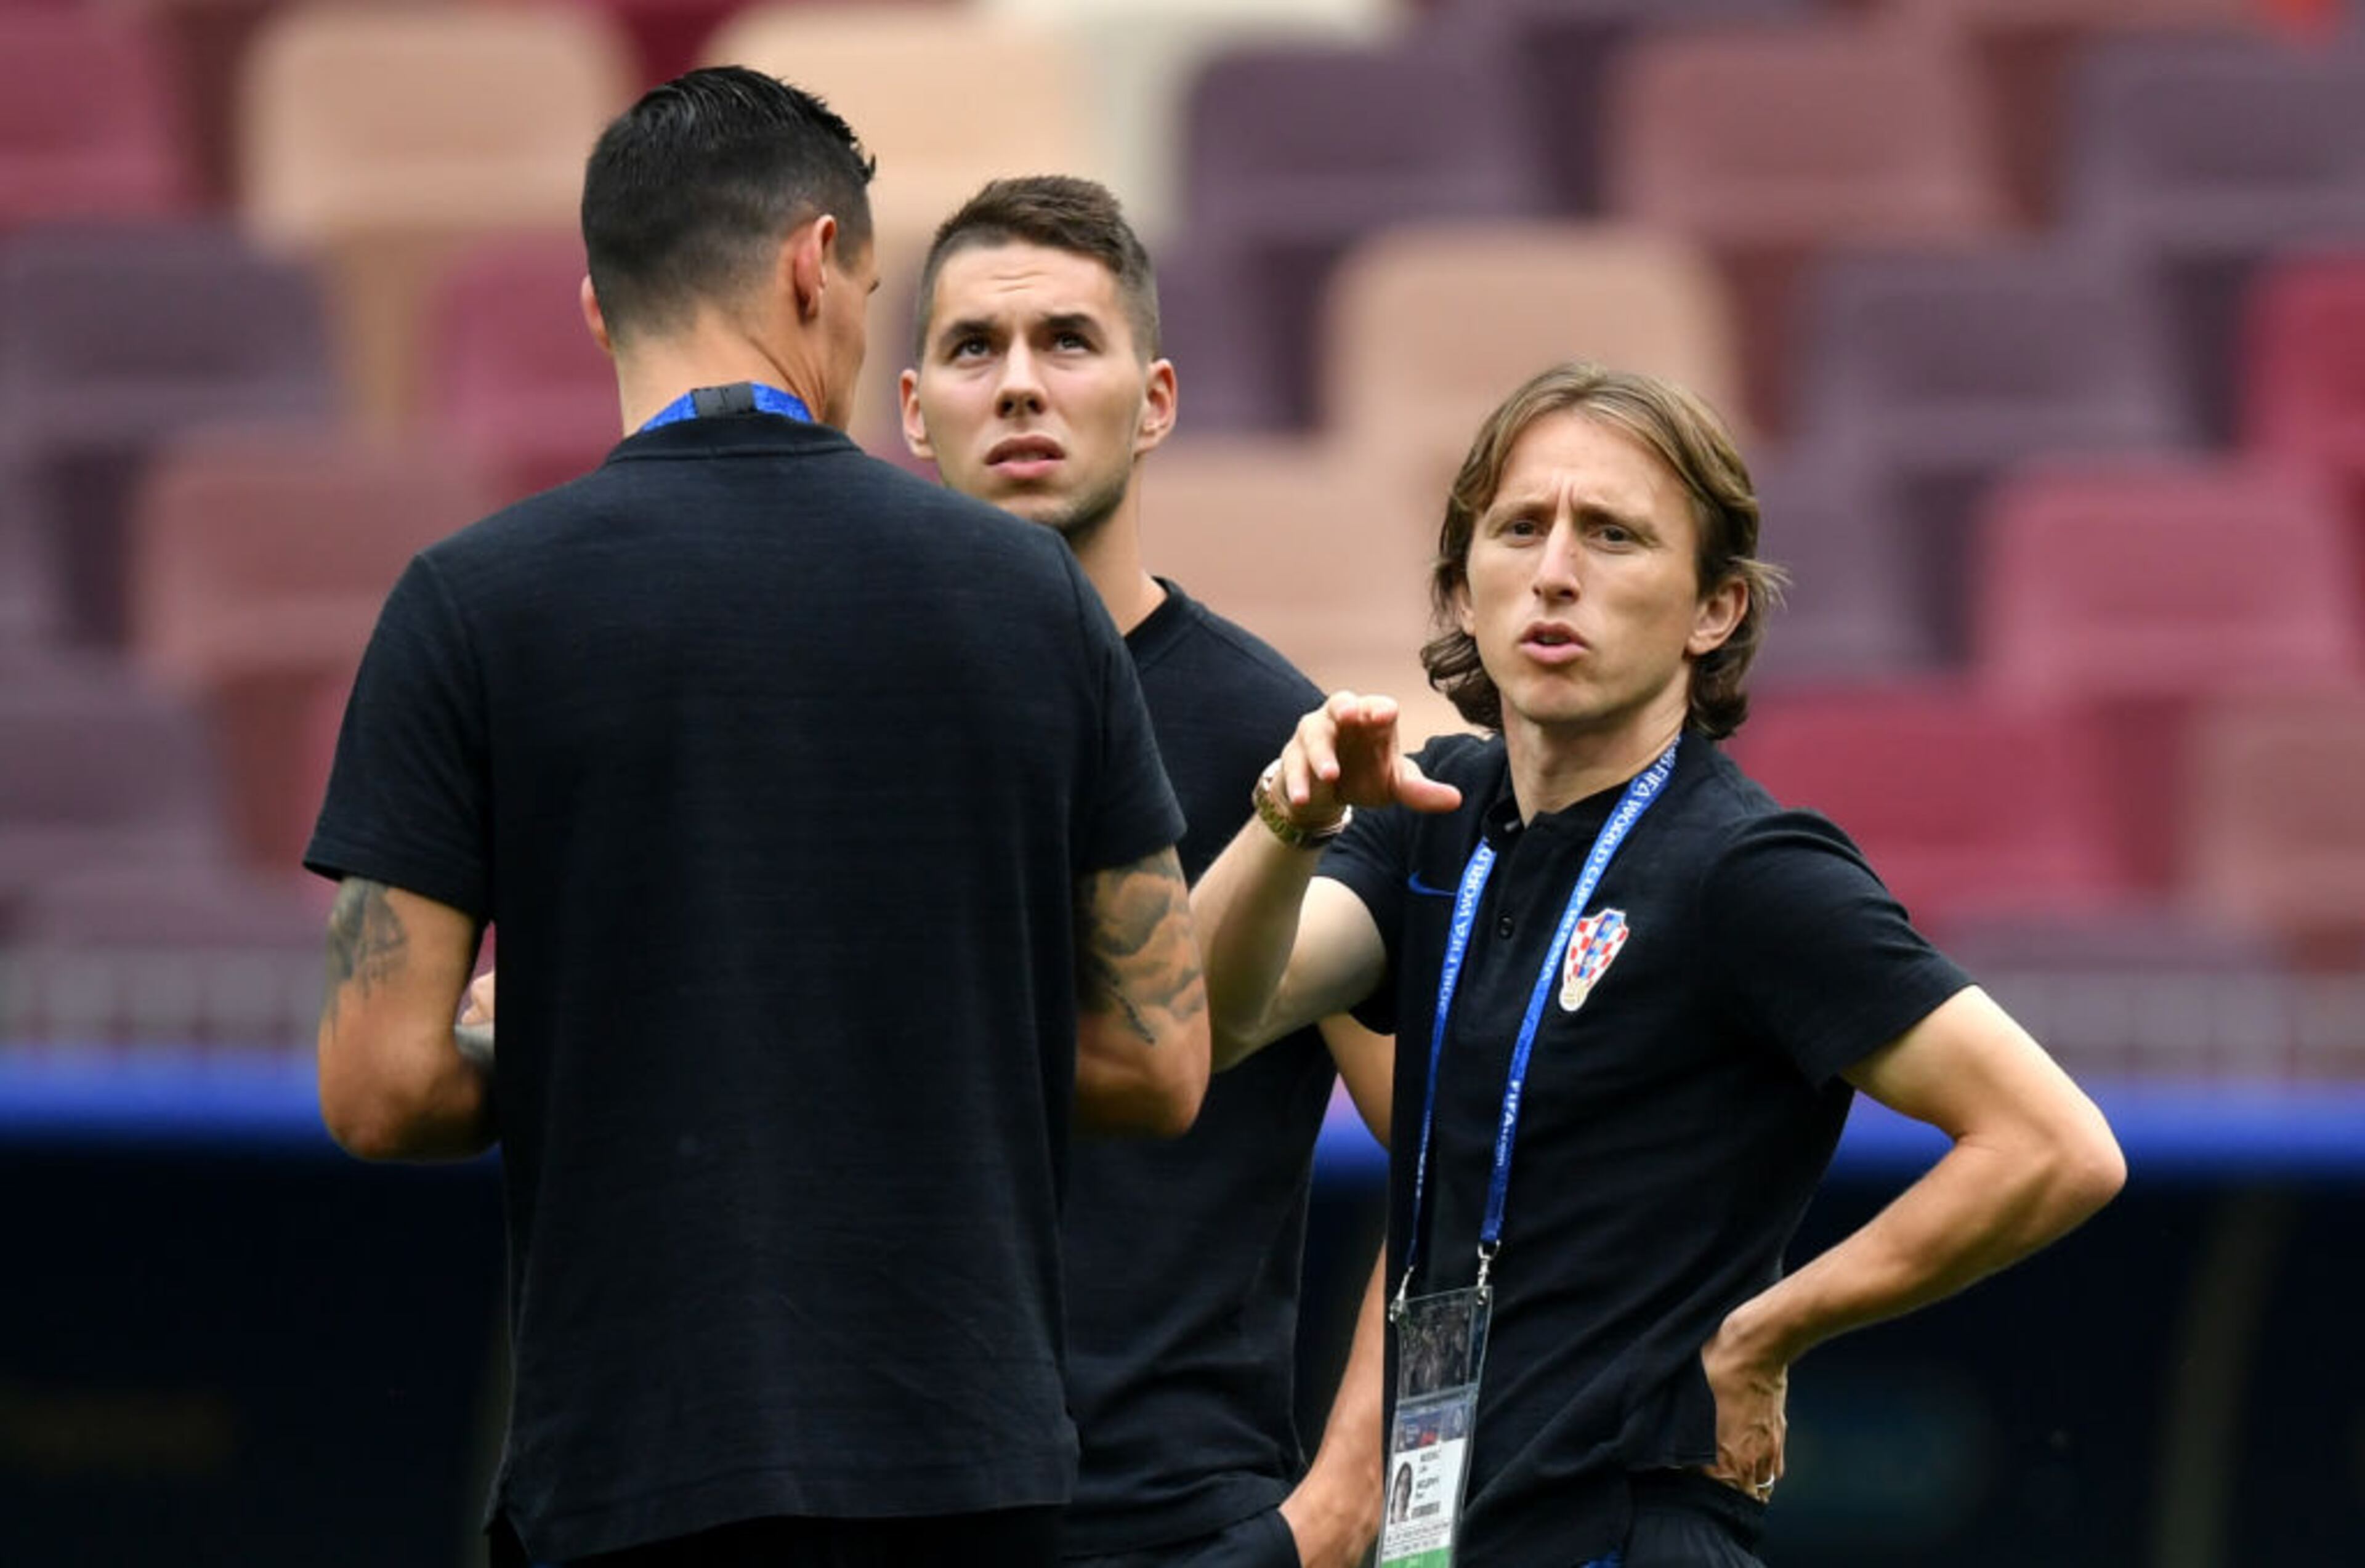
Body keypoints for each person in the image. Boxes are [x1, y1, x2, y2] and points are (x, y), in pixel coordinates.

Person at [305, 71, 1207, 1568]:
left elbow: (377, 1089)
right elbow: (1162, 1058)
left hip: (629, 1472)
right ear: (814, 263)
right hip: (967, 1468)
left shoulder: (468, 606)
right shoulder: (1028, 596)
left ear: (601, 306)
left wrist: (542, 1034)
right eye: (866, 282)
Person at [1189, 362, 2127, 1567]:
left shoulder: (1746, 868)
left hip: (1629, 1531)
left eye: (1614, 535)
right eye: (1520, 527)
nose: (1556, 569)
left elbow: (2057, 1146)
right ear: (1464, 590)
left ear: (1714, 611)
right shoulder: (1428, 815)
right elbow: (1208, 1018)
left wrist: (1769, 1334)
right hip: (1448, 1536)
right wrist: (1283, 826)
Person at [897, 176, 1388, 1568]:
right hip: (866, 1503)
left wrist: (1345, 1501)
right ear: (914, 409)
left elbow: (1464, 1161)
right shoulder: (827, 719)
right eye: (975, 350)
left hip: (1180, 1524)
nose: (1021, 389)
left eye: (1068, 341)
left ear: (1156, 399)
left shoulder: (1278, 739)